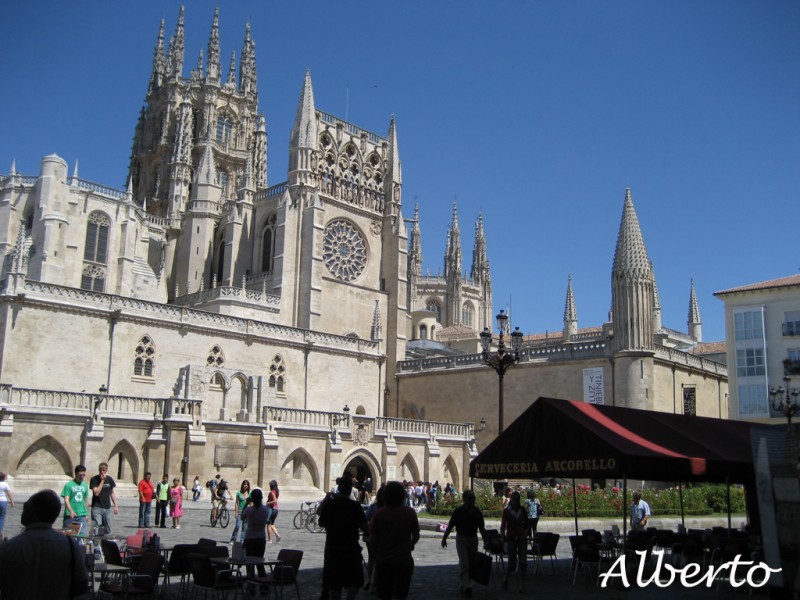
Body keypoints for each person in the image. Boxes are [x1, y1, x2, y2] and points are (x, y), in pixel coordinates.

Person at [0, 489, 89, 600]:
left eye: (26, 507)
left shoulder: (9, 547)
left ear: (33, 512)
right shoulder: (70, 546)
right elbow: (82, 585)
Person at [318, 476, 368, 599]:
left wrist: (326, 500)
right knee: (355, 579)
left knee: (334, 581)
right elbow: (364, 525)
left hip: (333, 546)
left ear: (338, 488)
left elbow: (320, 520)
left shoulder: (330, 504)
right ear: (351, 489)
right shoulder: (355, 506)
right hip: (350, 547)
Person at [371, 480, 420, 600]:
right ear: (403, 496)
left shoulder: (378, 514)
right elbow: (416, 534)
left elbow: (373, 538)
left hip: (384, 560)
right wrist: (411, 544)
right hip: (403, 560)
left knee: (383, 595)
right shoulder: (410, 512)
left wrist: (376, 553)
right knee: (400, 594)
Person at [441, 489, 487, 598]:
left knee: (470, 562)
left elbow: (482, 528)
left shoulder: (477, 512)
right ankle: (467, 585)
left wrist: (486, 541)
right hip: (462, 538)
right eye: (470, 499)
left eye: (474, 498)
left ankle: (463, 583)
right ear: (464, 500)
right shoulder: (459, 511)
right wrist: (444, 538)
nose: (473, 501)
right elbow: (451, 525)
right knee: (464, 561)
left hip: (473, 538)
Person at [500, 490, 528, 592]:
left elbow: (527, 523)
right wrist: (502, 536)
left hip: (521, 538)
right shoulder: (507, 511)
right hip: (511, 538)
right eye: (514, 499)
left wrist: (525, 532)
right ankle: (506, 577)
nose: (516, 501)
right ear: (511, 500)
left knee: (523, 562)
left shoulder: (522, 510)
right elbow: (503, 525)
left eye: (517, 499)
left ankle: (522, 585)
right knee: (512, 563)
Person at [240, 488, 270, 578]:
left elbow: (242, 517)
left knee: (249, 564)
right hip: (261, 538)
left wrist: (246, 503)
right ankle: (264, 587)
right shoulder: (265, 510)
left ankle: (251, 587)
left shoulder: (249, 510)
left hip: (249, 538)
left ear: (252, 498)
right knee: (259, 562)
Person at [89, 462, 118, 533]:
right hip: (97, 507)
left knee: (108, 529)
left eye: (104, 470)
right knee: (97, 528)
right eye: (101, 470)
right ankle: (96, 543)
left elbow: (112, 492)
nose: (102, 472)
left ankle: (105, 543)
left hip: (107, 507)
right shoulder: (94, 479)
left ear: (106, 470)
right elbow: (96, 493)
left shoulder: (109, 479)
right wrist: (102, 481)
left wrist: (116, 505)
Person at [61, 464, 89, 535]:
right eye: (80, 475)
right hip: (71, 515)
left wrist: (86, 514)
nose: (82, 477)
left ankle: (80, 546)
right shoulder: (69, 485)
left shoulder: (85, 485)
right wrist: (71, 511)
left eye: (83, 475)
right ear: (76, 474)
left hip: (81, 514)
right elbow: (66, 499)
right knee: (69, 535)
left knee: (82, 535)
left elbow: (85, 500)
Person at [0, 472, 15, 543]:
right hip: (3, 501)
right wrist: (12, 501)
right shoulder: (5, 484)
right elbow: (9, 493)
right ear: (4, 478)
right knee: (2, 517)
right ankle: (0, 530)